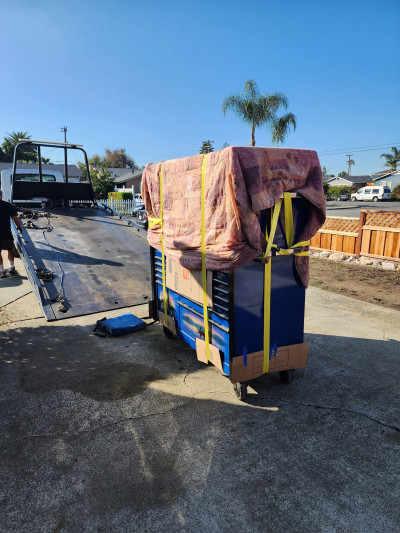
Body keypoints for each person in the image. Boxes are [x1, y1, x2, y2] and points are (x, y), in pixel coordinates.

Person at [0, 190, 22, 278]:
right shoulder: (8, 205)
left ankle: (2, 271)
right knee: (10, 249)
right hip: (6, 232)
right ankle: (11, 267)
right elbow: (15, 218)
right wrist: (18, 227)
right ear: (1, 196)